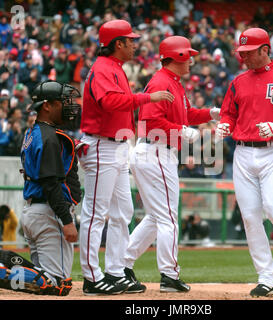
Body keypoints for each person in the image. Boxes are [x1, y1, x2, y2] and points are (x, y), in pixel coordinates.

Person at [78, 19, 174, 296]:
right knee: (95, 214)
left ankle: (116, 271)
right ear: (117, 44)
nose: (134, 44)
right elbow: (108, 102)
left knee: (123, 213)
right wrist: (147, 98)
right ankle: (91, 278)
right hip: (101, 145)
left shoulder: (115, 68)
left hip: (118, 146)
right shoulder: (102, 69)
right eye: (130, 40)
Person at [216, 28, 273, 297]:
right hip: (243, 153)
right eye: (241, 53)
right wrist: (225, 125)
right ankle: (266, 278)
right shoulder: (237, 81)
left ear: (265, 50)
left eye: (249, 53)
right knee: (250, 217)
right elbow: (228, 114)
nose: (244, 57)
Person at [123, 35, 220, 293]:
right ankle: (169, 275)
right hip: (155, 150)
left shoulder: (173, 83)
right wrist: (182, 131)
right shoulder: (160, 81)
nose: (191, 59)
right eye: (188, 55)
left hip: (158, 152)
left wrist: (210, 114)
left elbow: (188, 114)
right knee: (168, 218)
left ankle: (122, 263)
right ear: (177, 56)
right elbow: (151, 123)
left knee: (157, 217)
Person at [0, 80, 82, 296]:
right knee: (57, 284)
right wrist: (66, 220)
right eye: (62, 102)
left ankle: (6, 260)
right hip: (49, 213)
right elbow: (51, 183)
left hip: (34, 211)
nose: (68, 106)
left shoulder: (32, 132)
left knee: (40, 277)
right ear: (47, 105)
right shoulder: (50, 138)